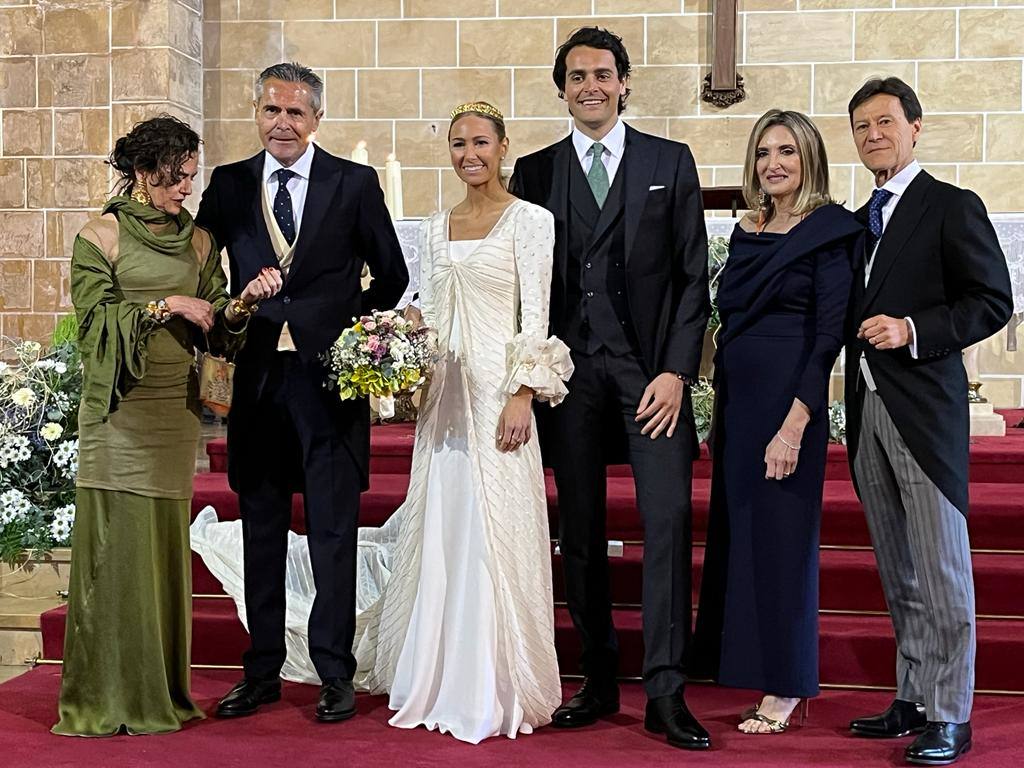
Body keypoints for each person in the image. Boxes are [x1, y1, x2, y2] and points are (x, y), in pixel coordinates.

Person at [509, 27, 711, 750]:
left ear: (625, 83)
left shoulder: (669, 161)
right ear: (560, 88)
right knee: (582, 533)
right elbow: (521, 284)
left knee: (665, 527)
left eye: (602, 74)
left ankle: (665, 691)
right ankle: (597, 678)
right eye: (576, 76)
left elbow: (694, 278)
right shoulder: (532, 173)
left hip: (648, 376)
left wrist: (676, 371)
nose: (589, 85)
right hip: (570, 380)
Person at [353, 100, 572, 744]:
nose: (469, 154)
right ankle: (438, 671)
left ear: (504, 147)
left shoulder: (531, 221)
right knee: (446, 527)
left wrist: (523, 393)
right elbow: (425, 307)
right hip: (444, 399)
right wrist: (400, 354)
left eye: (480, 142)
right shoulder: (436, 225)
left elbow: (536, 316)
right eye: (457, 144)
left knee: (493, 530)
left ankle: (494, 682)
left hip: (498, 396)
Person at [196, 62, 408, 723]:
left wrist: (346, 333)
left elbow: (393, 277)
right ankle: (259, 671)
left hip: (328, 387)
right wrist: (235, 310)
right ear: (256, 115)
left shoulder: (353, 182)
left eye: (295, 112)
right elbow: (203, 275)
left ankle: (334, 673)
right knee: (261, 527)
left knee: (333, 532)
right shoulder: (229, 186)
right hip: (256, 385)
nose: (282, 123)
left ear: (317, 118)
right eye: (271, 111)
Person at [53, 115, 278, 736]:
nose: (185, 187)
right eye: (175, 177)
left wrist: (244, 303)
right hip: (120, 412)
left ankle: (157, 691)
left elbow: (219, 324)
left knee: (159, 551)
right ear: (145, 172)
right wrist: (164, 305)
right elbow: (95, 324)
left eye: (190, 175)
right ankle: (103, 697)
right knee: (115, 552)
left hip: (175, 414)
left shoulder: (200, 242)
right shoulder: (100, 237)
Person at [843, 77, 1012, 766]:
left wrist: (914, 328)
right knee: (899, 566)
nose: (874, 135)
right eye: (861, 127)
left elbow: (990, 301)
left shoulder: (950, 206)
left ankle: (951, 712)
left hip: (924, 409)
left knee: (941, 567)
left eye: (885, 122)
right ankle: (913, 695)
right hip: (865, 409)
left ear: (915, 127)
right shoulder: (859, 222)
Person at [690, 110, 862, 734]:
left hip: (789, 404)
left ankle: (788, 684)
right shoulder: (746, 227)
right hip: (740, 403)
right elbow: (727, 319)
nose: (774, 163)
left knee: (784, 544)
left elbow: (827, 339)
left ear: (809, 157)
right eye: (764, 152)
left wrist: (794, 426)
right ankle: (746, 664)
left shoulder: (832, 230)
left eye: (787, 151)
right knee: (744, 539)